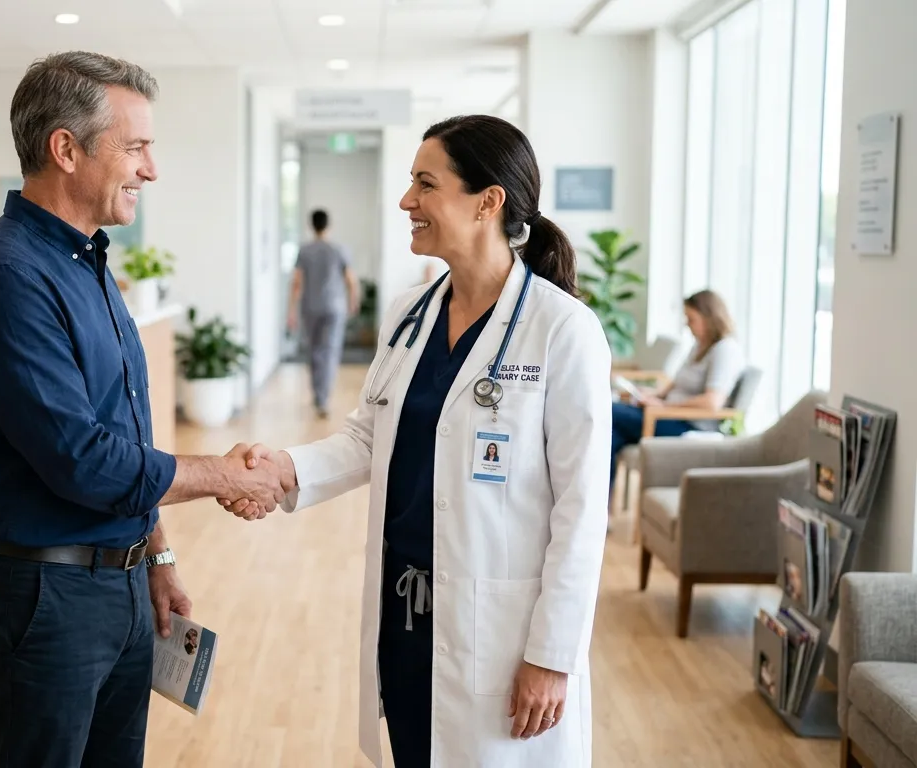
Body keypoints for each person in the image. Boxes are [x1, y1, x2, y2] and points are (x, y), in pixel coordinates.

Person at [222, 115, 610, 767]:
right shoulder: (410, 314)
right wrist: (281, 468)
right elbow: (368, 436)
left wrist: (552, 654)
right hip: (406, 616)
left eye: (426, 184)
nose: (407, 201)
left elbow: (582, 511)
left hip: (499, 631)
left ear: (488, 202)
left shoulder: (562, 330)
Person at [0, 51, 284, 768]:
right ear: (66, 149)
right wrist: (223, 475)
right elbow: (82, 459)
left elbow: (124, 431)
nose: (150, 170)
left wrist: (156, 553)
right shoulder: (8, 277)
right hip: (46, 598)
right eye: (135, 148)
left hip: (121, 583)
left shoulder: (88, 263)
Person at [609, 289, 744, 484]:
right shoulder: (700, 346)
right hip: (666, 415)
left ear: (709, 318)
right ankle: (602, 499)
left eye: (691, 319)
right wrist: (654, 395)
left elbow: (712, 402)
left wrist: (664, 406)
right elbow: (677, 382)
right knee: (611, 435)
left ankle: (600, 499)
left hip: (687, 425)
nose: (687, 324)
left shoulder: (725, 350)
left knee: (610, 411)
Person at [288, 208, 360, 418]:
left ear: (311, 226)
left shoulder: (304, 251)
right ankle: (323, 399)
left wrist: (291, 311)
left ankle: (318, 395)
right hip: (334, 308)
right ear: (329, 225)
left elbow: (296, 283)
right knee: (330, 351)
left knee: (314, 352)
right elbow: (351, 280)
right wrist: (353, 302)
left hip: (310, 307)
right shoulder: (338, 250)